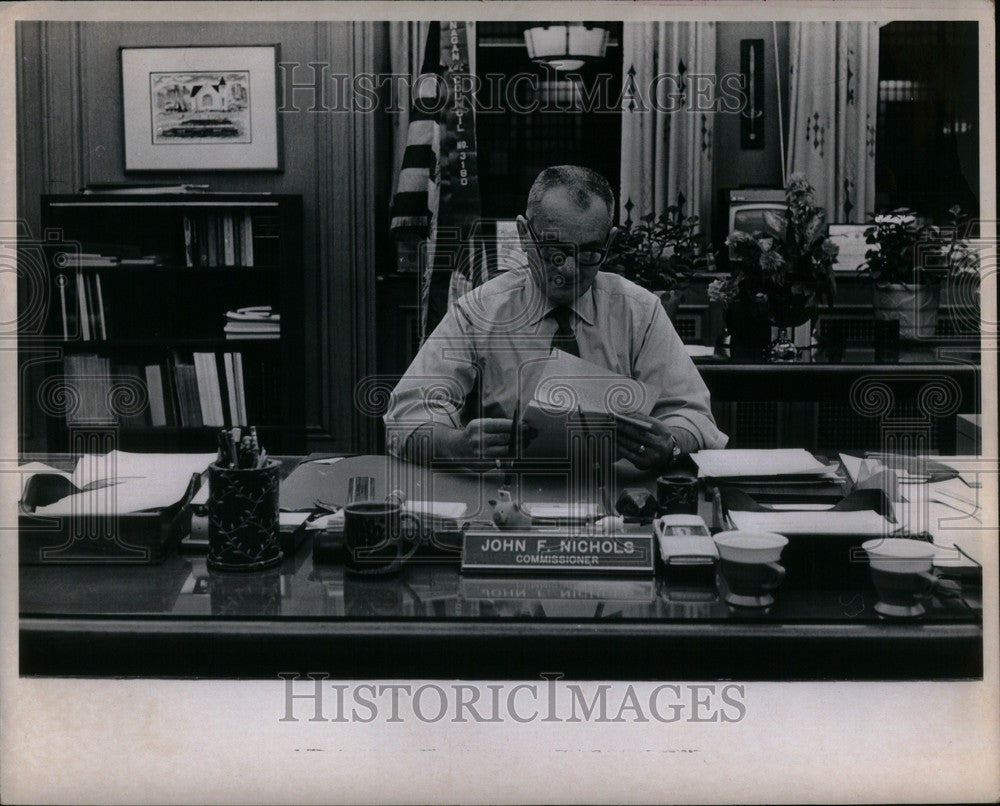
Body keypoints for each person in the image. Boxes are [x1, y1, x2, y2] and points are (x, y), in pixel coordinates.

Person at [384, 165, 728, 471]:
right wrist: (454, 446)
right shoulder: (479, 311)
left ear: (609, 242)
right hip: (505, 500)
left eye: (589, 253)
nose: (569, 270)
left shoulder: (639, 310)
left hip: (618, 497)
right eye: (554, 252)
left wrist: (669, 444)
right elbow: (405, 418)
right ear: (523, 235)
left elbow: (695, 415)